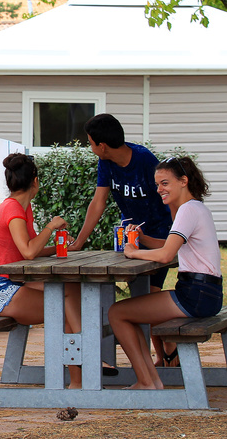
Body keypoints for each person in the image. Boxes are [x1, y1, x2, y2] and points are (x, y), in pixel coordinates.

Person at [71, 113, 177, 366]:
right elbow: (98, 203)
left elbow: (170, 196)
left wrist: (176, 234)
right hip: (131, 238)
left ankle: (167, 358)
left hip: (159, 236)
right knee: (142, 297)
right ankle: (161, 360)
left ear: (102, 145)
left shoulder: (144, 160)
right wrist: (79, 242)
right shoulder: (106, 163)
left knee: (149, 298)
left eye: (90, 142)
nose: (90, 147)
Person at [108, 155, 222, 389]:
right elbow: (167, 244)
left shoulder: (187, 211)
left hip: (195, 295)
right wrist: (142, 239)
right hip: (206, 292)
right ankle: (150, 379)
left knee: (118, 313)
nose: (159, 189)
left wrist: (133, 252)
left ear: (184, 181)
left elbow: (165, 255)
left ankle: (147, 381)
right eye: (157, 184)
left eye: (165, 183)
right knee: (130, 310)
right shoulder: (196, 208)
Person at [0, 153, 83, 387]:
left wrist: (61, 248)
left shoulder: (23, 208)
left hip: (14, 281)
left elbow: (31, 249)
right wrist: (51, 226)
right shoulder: (12, 209)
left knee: (72, 290)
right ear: (35, 181)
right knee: (65, 309)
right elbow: (28, 252)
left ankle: (82, 366)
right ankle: (83, 365)